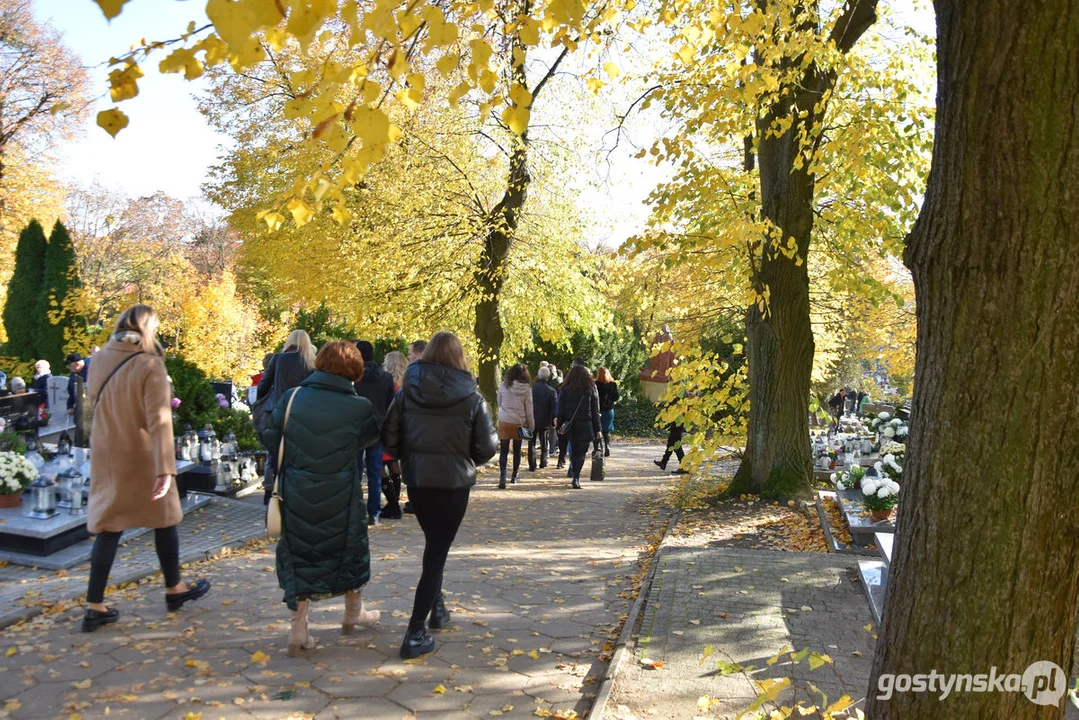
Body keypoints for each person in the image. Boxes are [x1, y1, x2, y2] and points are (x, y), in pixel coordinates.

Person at [82, 305, 210, 633]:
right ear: (149, 330)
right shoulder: (149, 364)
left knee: (108, 525)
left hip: (106, 451)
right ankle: (174, 589)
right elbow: (159, 420)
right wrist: (166, 469)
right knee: (164, 519)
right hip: (141, 455)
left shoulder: (99, 359)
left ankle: (94, 605)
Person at [382, 331, 498, 659]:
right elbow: (486, 448)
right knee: (436, 552)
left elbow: (389, 439)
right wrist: (462, 460)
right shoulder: (473, 398)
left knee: (434, 546)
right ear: (459, 356)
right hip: (453, 487)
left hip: (418, 483)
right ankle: (415, 631)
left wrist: (412, 456)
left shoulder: (406, 393)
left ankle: (439, 609)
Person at [264, 341, 382, 656]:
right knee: (351, 548)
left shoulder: (293, 398)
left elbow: (271, 436)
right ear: (353, 372)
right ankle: (353, 613)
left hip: (297, 491)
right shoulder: (359, 407)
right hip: (341, 492)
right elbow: (370, 438)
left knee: (299, 552)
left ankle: (298, 629)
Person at [257, 330, 317, 503]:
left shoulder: (278, 359)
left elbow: (264, 384)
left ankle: (272, 491)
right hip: (301, 413)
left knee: (274, 453)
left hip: (278, 411)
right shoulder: (310, 362)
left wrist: (263, 398)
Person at [353, 341, 397, 525]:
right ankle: (374, 510)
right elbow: (391, 405)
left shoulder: (354, 377)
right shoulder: (386, 378)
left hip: (357, 429)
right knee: (375, 472)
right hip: (378, 430)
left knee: (355, 472)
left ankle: (356, 509)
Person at [556, 364, 603, 489]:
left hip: (570, 425)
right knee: (582, 452)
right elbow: (595, 411)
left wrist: (559, 425)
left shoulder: (565, 389)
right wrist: (598, 429)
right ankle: (576, 476)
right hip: (586, 424)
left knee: (574, 449)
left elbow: (561, 410)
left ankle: (574, 471)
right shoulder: (591, 388)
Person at [496, 363, 534, 489]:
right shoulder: (527, 389)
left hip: (505, 421)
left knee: (504, 450)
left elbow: (499, 401)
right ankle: (514, 475)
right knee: (517, 450)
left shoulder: (503, 385)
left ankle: (502, 476)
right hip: (519, 423)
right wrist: (531, 426)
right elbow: (529, 409)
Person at [380, 351, 408, 518]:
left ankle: (392, 501)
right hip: (401, 428)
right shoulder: (407, 382)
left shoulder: (386, 381)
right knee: (393, 463)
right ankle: (394, 500)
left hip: (386, 426)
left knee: (380, 466)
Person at [529, 366, 557, 471]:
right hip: (545, 420)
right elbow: (554, 408)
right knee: (544, 441)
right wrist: (553, 420)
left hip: (532, 418)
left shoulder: (531, 389)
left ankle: (532, 464)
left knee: (531, 441)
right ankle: (543, 461)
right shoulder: (551, 391)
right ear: (548, 377)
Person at [595, 367, 620, 457]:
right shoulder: (613, 385)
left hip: (598, 410)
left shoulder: (595, 384)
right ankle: (607, 446)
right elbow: (616, 397)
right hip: (609, 410)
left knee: (597, 430)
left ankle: (597, 448)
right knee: (606, 430)